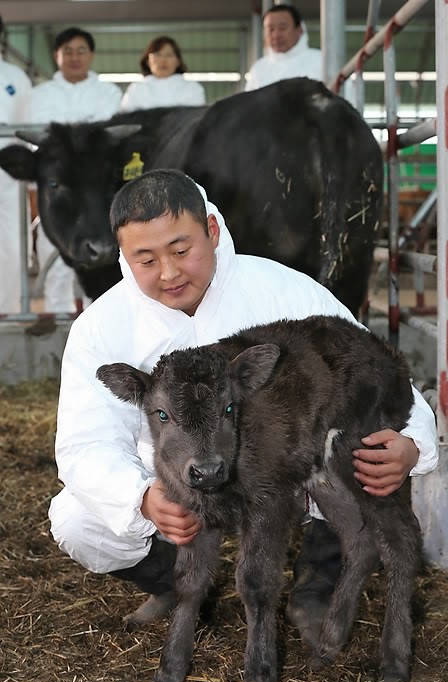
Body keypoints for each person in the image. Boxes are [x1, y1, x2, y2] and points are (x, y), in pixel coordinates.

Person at [48, 168, 438, 633]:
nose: (169, 273)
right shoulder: (102, 326)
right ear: (123, 255)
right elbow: (84, 443)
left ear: (211, 231)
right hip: (183, 482)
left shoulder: (283, 291)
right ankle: (173, 580)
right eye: (146, 260)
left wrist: (413, 443)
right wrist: (142, 498)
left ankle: (319, 576)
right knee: (75, 519)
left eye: (181, 250)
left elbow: (371, 370)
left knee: (357, 459)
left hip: (289, 479)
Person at [26, 27, 122, 313]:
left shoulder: (109, 93)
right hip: (60, 194)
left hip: (98, 195)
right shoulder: (40, 95)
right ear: (56, 56)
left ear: (91, 55)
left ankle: (103, 321)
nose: (74, 57)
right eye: (67, 51)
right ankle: (59, 322)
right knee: (54, 260)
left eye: (81, 51)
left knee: (105, 261)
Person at [0, 46, 32, 313]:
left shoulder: (15, 76)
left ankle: (9, 308)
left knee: (10, 242)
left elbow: (26, 124)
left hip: (7, 170)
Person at [245, 4, 323, 92]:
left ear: (299, 30)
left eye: (282, 28)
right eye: (270, 29)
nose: (276, 35)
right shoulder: (259, 69)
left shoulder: (320, 61)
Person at [120, 35, 206, 112]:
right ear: (148, 61)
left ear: (178, 61)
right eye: (158, 54)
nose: (163, 60)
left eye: (169, 55)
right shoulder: (136, 89)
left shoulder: (192, 89)